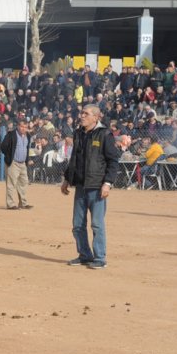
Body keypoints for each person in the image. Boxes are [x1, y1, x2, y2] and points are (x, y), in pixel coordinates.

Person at [61, 104, 120, 269]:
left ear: (96, 117)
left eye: (86, 114)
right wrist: (67, 179)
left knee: (96, 224)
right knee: (77, 224)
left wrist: (107, 183)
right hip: (80, 186)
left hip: (97, 186)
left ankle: (100, 258)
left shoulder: (105, 134)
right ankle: (85, 255)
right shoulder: (78, 133)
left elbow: (113, 161)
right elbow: (74, 158)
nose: (82, 116)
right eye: (81, 113)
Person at [0, 119, 32, 210]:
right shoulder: (11, 135)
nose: (23, 128)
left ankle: (23, 203)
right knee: (11, 184)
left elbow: (27, 149)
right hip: (13, 163)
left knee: (23, 183)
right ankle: (10, 204)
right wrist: (9, 156)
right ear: (18, 126)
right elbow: (3, 147)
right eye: (22, 126)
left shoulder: (28, 136)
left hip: (22, 164)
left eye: (25, 127)